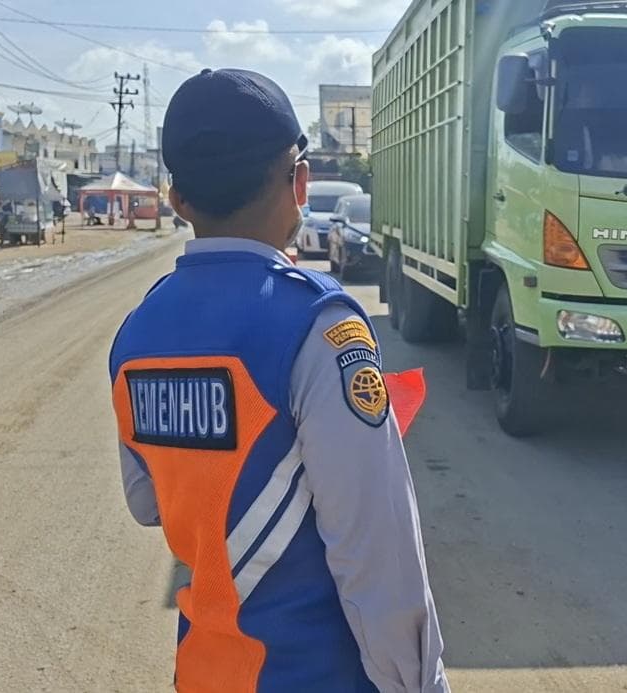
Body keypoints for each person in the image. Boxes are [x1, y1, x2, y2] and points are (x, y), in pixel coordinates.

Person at [108, 68, 449, 693]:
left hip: (204, 671)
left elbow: (147, 502)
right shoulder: (317, 322)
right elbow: (377, 554)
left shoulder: (136, 332)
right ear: (298, 182)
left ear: (177, 199)